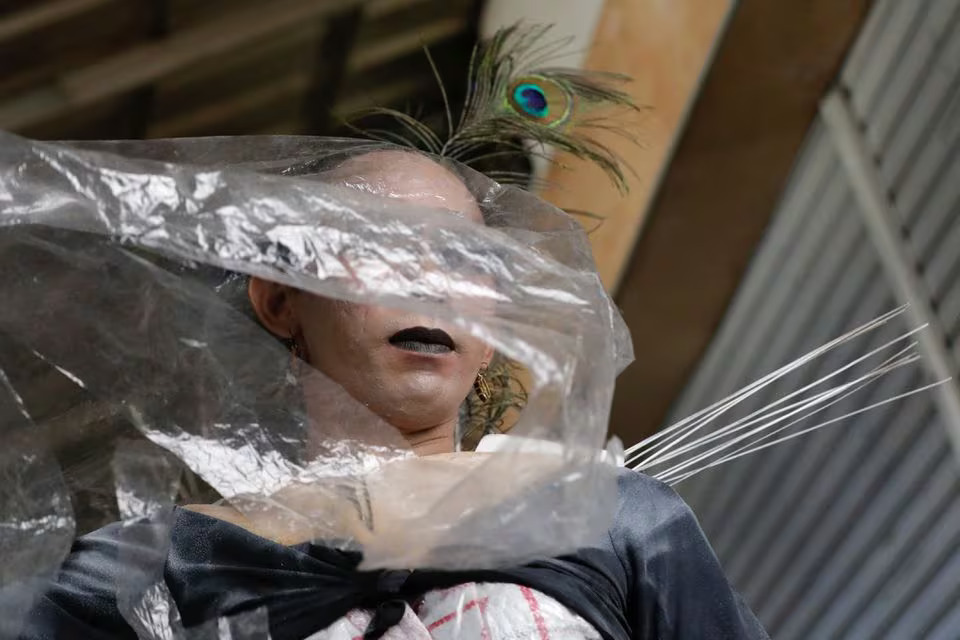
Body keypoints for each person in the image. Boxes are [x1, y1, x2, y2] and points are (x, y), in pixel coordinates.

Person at [15, 144, 768, 640]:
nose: (430, 286)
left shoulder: (615, 519)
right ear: (281, 301)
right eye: (380, 247)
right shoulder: (149, 568)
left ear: (495, 330)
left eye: (465, 262)